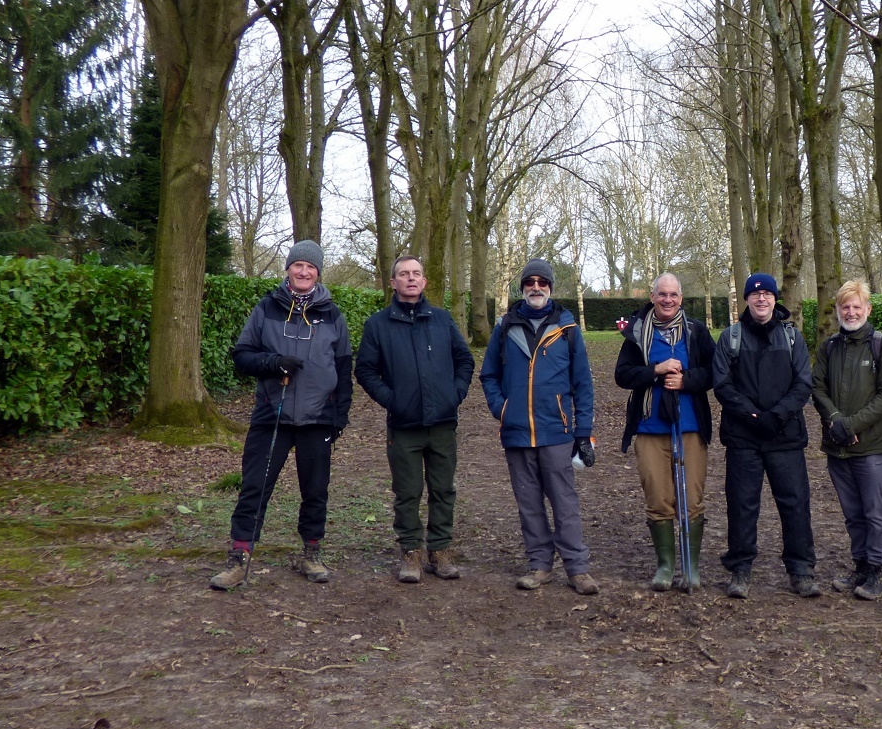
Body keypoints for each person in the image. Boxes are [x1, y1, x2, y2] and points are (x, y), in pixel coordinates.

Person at [211, 240, 353, 590]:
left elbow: (344, 368)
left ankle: (311, 552)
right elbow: (242, 357)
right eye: (297, 265)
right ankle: (239, 556)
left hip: (317, 418)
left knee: (315, 489)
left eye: (310, 267)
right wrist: (273, 363)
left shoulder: (333, 314)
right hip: (270, 415)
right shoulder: (266, 308)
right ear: (288, 269)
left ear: (318, 272)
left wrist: (339, 417)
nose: (303, 271)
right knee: (254, 487)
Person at [479, 259, 599, 595]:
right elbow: (488, 374)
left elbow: (583, 385)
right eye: (529, 282)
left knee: (565, 502)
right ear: (522, 287)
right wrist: (502, 409)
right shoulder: (505, 327)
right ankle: (539, 565)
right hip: (516, 431)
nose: (535, 287)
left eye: (542, 282)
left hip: (556, 430)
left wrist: (583, 432)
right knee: (529, 503)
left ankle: (577, 568)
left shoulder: (567, 329)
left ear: (550, 287)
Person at [356, 255, 475, 584]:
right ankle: (410, 552)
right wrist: (392, 400)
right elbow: (365, 370)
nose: (411, 279)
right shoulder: (378, 325)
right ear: (392, 283)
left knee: (443, 490)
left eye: (417, 274)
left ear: (424, 282)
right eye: (404, 274)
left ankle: (440, 550)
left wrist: (455, 394)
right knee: (407, 491)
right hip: (404, 427)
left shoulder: (442, 320)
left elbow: (464, 360)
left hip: (442, 424)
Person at [712, 272, 818, 599]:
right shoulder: (730, 337)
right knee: (742, 504)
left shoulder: (792, 338)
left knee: (795, 504)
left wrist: (778, 414)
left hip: (785, 435)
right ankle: (741, 569)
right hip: (744, 437)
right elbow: (722, 385)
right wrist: (753, 415)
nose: (761, 299)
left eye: (767, 294)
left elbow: (803, 383)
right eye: (755, 294)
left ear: (775, 299)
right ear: (746, 299)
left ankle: (800, 571)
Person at [614, 273, 717, 591]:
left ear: (681, 298)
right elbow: (623, 375)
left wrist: (686, 380)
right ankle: (665, 565)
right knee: (658, 497)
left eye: (673, 295)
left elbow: (715, 372)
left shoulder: (696, 331)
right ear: (652, 296)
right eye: (662, 294)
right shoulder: (637, 333)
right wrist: (655, 371)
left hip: (689, 426)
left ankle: (691, 566)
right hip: (649, 427)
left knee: (691, 498)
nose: (668, 300)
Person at [811, 280, 882, 601]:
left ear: (868, 309)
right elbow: (817, 387)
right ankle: (861, 565)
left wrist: (850, 425)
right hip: (838, 446)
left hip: (873, 446)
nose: (851, 312)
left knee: (875, 511)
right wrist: (836, 421)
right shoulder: (829, 347)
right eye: (845, 307)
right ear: (837, 311)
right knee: (852, 512)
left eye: (856, 306)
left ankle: (879, 569)